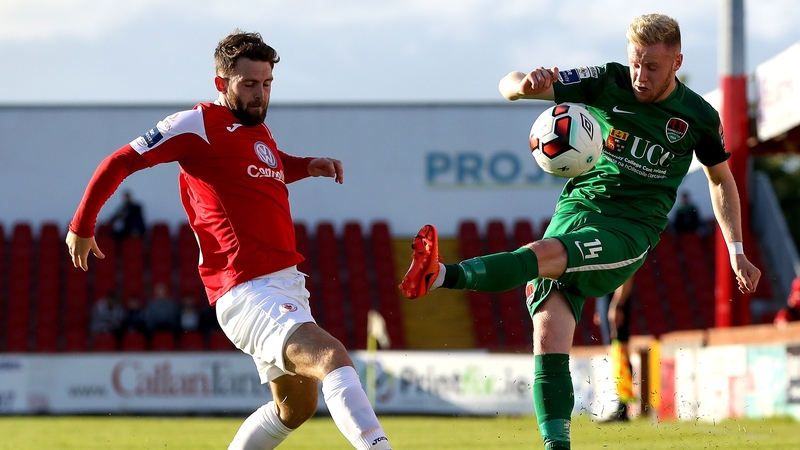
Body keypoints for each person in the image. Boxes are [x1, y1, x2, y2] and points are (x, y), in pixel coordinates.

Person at [398, 13, 761, 450]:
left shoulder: (699, 116)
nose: (640, 77)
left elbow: (721, 179)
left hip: (631, 228)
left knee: (543, 252)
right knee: (548, 334)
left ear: (677, 62)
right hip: (578, 208)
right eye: (635, 63)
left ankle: (439, 275)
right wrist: (524, 84)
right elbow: (508, 85)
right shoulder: (607, 81)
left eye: (652, 67)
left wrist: (736, 248)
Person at [66, 30, 392, 450]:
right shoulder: (196, 124)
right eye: (250, 84)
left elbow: (262, 169)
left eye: (267, 83)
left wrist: (307, 165)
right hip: (248, 289)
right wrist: (82, 225)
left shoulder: (257, 130)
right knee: (331, 357)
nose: (261, 94)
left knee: (295, 408)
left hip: (283, 282)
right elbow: (121, 160)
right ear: (221, 83)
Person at [593, 276, 635, 422]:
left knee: (621, 353)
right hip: (606, 299)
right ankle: (621, 408)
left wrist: (617, 305)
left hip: (614, 300)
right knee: (615, 355)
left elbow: (627, 275)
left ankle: (623, 409)